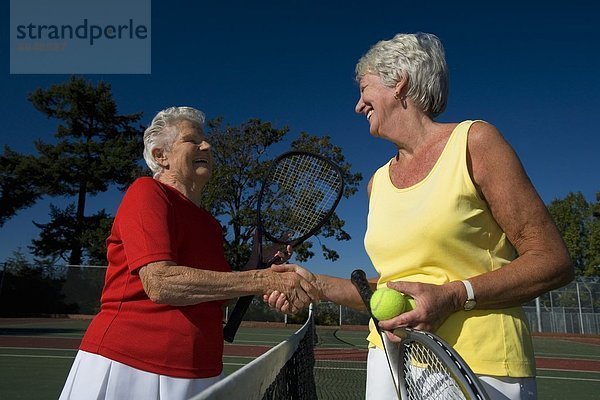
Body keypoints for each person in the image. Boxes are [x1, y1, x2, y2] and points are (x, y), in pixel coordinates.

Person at [267, 33, 573, 400]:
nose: (357, 106)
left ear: (400, 83)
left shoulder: (475, 142)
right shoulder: (376, 183)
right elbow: (392, 288)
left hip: (479, 362)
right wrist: (315, 283)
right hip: (388, 356)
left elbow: (553, 261)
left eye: (364, 89)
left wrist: (453, 296)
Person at [59, 106, 318, 400]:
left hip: (200, 369)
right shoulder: (147, 192)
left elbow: (219, 292)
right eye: (192, 141)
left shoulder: (209, 224)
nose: (206, 145)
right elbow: (160, 283)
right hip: (130, 365)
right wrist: (264, 280)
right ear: (161, 156)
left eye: (206, 141)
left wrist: (257, 265)